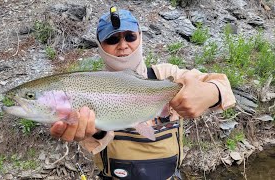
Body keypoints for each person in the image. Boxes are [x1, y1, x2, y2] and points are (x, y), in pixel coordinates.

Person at [50, 7, 236, 180]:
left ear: (140, 37)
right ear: (100, 45)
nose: (123, 45)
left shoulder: (166, 76)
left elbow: (223, 85)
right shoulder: (90, 88)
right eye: (112, 39)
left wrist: (211, 93)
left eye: (129, 37)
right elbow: (93, 146)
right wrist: (97, 132)